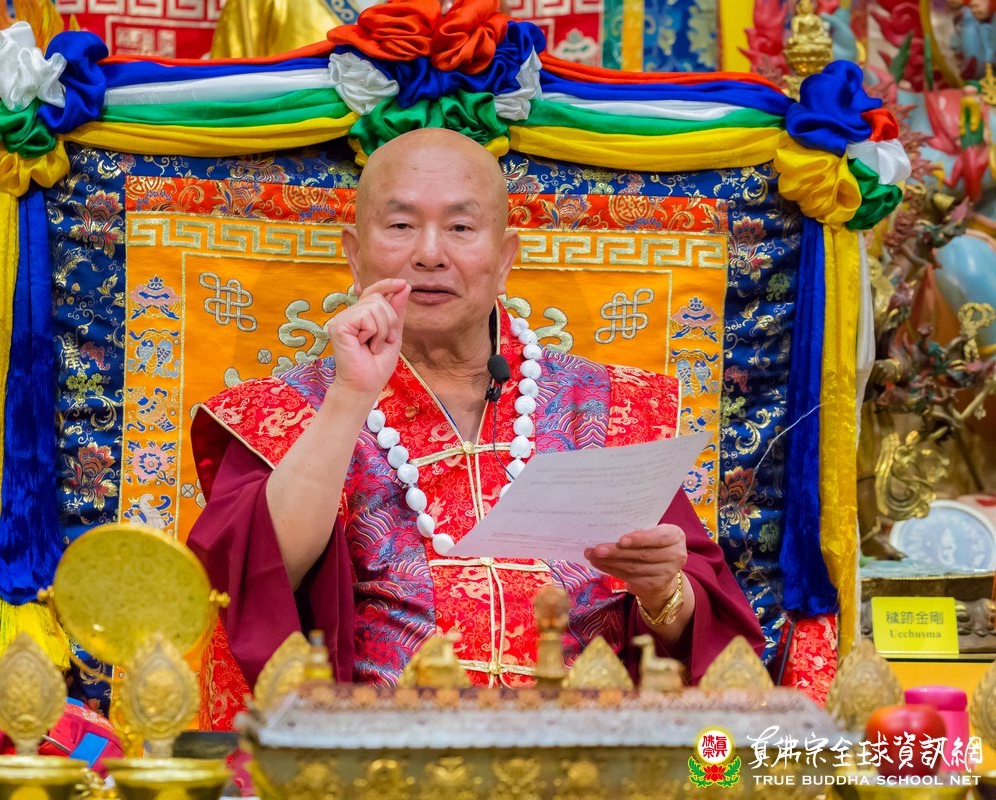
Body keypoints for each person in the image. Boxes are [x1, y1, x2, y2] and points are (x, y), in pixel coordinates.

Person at [187, 128, 765, 694]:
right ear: (355, 255)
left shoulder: (606, 405)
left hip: (581, 743)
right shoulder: (287, 410)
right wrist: (350, 395)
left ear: (505, 257)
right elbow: (255, 584)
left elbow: (708, 635)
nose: (429, 254)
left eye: (460, 227)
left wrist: (664, 592)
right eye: (401, 226)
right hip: (377, 744)